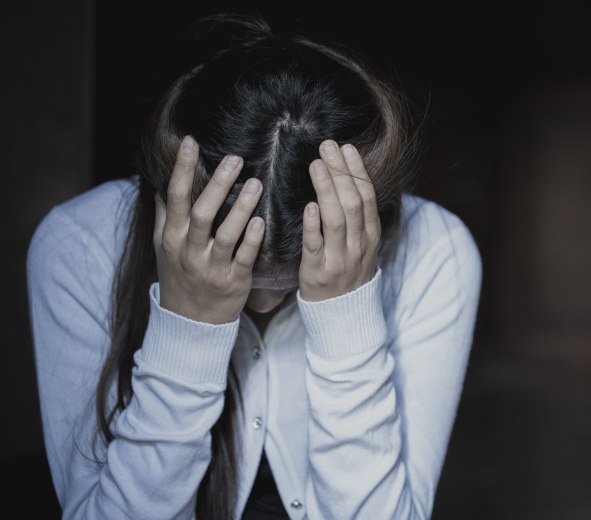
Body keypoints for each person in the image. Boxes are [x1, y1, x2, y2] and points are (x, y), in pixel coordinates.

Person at [26, 11, 482, 520]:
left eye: (287, 286)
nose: (262, 303)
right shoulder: (80, 246)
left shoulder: (435, 250)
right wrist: (189, 327)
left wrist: (346, 318)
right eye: (247, 284)